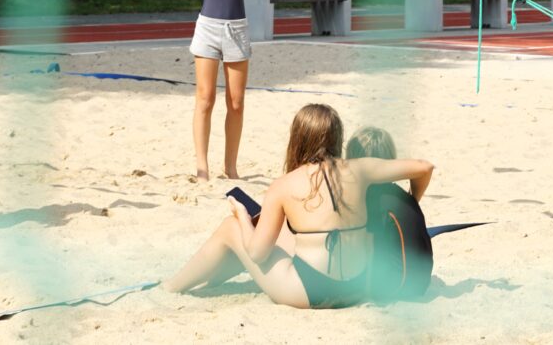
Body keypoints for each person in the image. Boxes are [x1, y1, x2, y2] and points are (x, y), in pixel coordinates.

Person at [164, 104, 434, 308]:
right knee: (280, 236)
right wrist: (413, 200)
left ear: (298, 139)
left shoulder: (284, 185)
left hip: (312, 292)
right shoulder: (361, 169)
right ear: (338, 138)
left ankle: (172, 285)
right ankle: (212, 281)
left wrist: (242, 216)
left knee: (232, 229)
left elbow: (257, 254)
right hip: (356, 286)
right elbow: (424, 167)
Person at [189, 0, 250, 181]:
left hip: (236, 28)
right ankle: (202, 169)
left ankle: (231, 167)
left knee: (236, 102)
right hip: (209, 27)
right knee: (205, 99)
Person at [345, 126, 434, 300]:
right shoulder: (401, 197)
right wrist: (413, 199)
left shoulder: (369, 200)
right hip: (422, 282)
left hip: (395, 289)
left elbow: (367, 247)